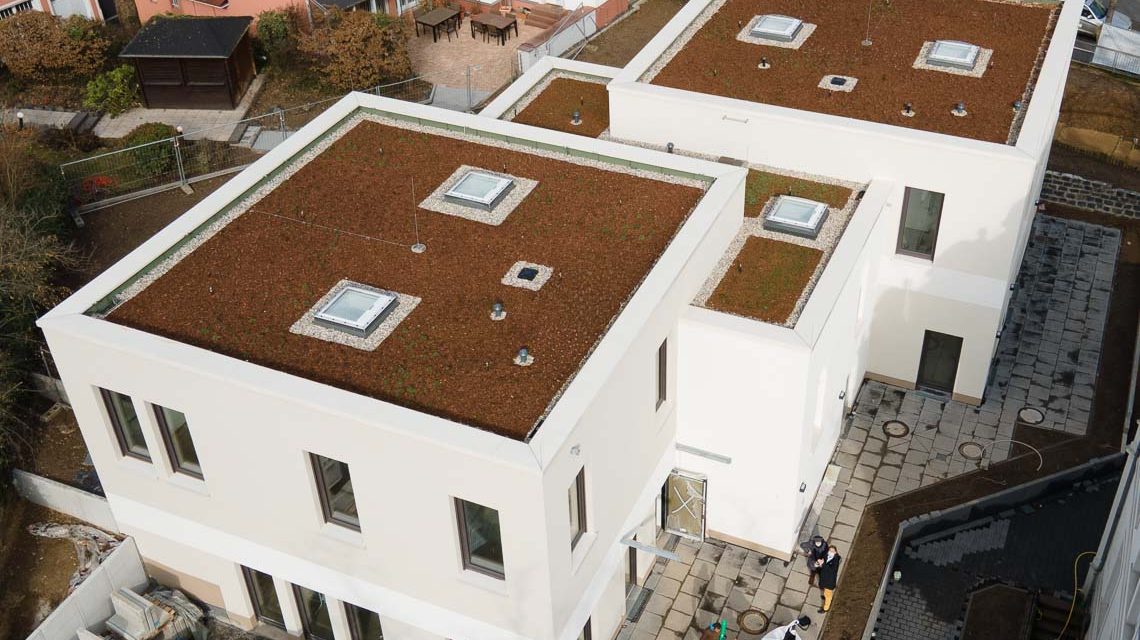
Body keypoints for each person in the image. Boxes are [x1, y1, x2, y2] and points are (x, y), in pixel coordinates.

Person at [818, 545, 841, 614]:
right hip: (825, 578)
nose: (830, 552)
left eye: (832, 551)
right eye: (830, 550)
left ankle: (826, 608)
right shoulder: (827, 556)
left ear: (835, 552)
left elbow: (831, 570)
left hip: (829, 582)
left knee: (828, 596)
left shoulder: (836, 560)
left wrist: (823, 564)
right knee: (825, 591)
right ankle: (825, 596)